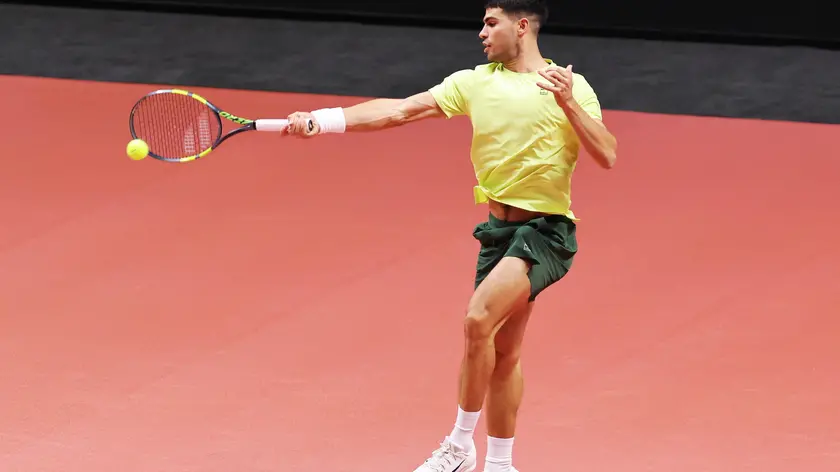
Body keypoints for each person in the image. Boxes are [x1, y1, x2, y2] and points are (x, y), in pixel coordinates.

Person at [284, 1, 618, 470]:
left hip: (546, 231)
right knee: (504, 352)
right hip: (498, 233)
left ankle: (459, 447)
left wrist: (567, 102)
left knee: (478, 320)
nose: (481, 32)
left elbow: (607, 154)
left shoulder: (570, 86)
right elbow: (400, 111)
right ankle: (500, 464)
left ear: (522, 26)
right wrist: (321, 120)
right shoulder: (473, 83)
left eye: (491, 23)